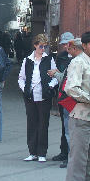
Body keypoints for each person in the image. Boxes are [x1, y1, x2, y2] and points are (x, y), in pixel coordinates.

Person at [63, 32, 90, 181]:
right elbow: (71, 88)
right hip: (81, 118)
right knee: (78, 164)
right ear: (84, 46)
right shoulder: (78, 62)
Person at [18, 33, 58, 162]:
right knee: (32, 123)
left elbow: (55, 76)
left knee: (43, 124)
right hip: (30, 96)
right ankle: (32, 152)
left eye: (45, 47)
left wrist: (50, 86)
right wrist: (25, 88)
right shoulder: (27, 60)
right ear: (35, 45)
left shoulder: (49, 59)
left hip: (44, 96)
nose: (43, 49)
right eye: (41, 46)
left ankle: (42, 152)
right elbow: (21, 78)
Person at [49, 31, 75, 168]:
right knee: (64, 126)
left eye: (67, 44)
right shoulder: (62, 57)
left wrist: (57, 74)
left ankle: (72, 155)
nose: (65, 46)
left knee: (70, 127)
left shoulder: (78, 58)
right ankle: (64, 151)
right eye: (64, 44)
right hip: (62, 93)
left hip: (72, 96)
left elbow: (65, 75)